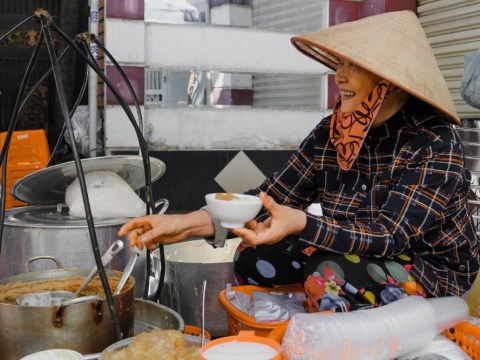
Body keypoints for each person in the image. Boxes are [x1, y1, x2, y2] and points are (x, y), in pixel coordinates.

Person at [118, 10, 480, 312]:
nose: (340, 75)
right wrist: (179, 224)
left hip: (431, 270)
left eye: (355, 65)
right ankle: (309, 319)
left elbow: (390, 237)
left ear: (393, 82)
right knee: (251, 255)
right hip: (353, 254)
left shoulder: (433, 142)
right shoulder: (332, 132)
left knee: (328, 274)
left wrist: (301, 223)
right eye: (340, 62)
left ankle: (335, 333)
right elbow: (268, 196)